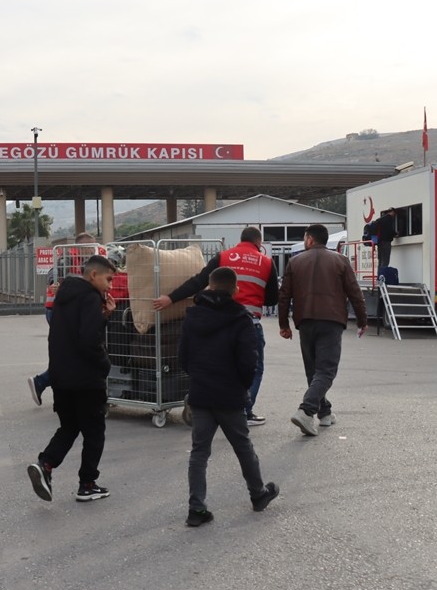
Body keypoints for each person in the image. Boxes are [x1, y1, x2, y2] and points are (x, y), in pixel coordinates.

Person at [178, 267, 280, 527]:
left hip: (201, 393)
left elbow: (183, 358)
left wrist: (198, 377)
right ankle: (258, 494)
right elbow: (249, 362)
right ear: (235, 289)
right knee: (243, 447)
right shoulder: (240, 318)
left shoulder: (192, 316)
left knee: (199, 453)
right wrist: (242, 387)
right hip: (230, 394)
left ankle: (196, 508)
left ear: (209, 287)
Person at [153, 226, 278, 425]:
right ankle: (243, 411)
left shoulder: (223, 256)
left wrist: (170, 298)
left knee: (215, 366)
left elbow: (198, 281)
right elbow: (272, 299)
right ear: (259, 243)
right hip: (247, 323)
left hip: (215, 322)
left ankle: (202, 401)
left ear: (241, 240)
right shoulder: (267, 262)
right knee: (253, 369)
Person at [26, 254, 116, 503]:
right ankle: (87, 484)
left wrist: (103, 317)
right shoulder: (89, 298)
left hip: (61, 378)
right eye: (108, 279)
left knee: (69, 426)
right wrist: (105, 365)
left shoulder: (64, 297)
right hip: (86, 380)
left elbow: (70, 335)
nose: (109, 286)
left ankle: (45, 465)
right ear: (93, 275)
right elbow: (89, 340)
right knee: (95, 432)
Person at [278, 224, 368, 436]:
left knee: (314, 371)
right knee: (326, 370)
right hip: (331, 320)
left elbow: (284, 296)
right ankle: (306, 410)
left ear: (309, 239)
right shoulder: (340, 260)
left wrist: (284, 325)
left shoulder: (295, 261)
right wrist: (363, 320)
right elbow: (355, 293)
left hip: (305, 321)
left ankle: (324, 413)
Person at [28, 232, 97, 406]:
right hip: (58, 312)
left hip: (66, 311)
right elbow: (53, 274)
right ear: (81, 247)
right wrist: (57, 283)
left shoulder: (85, 263)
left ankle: (44, 383)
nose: (93, 251)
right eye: (90, 247)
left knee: (72, 354)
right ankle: (43, 382)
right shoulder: (67, 259)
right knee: (73, 354)